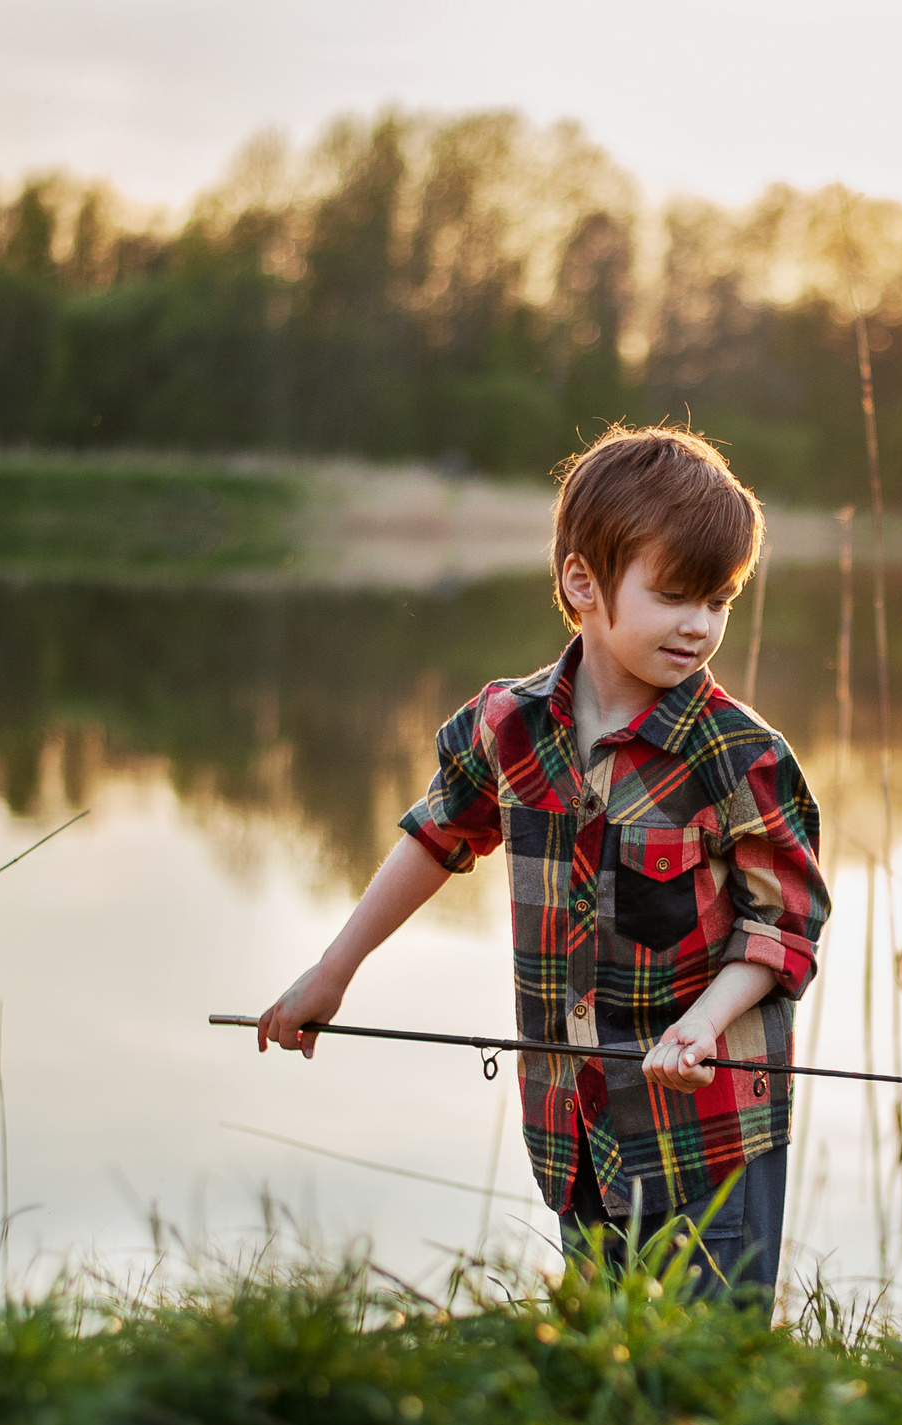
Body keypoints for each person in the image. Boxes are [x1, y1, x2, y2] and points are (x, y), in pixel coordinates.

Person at [254, 425, 829, 1312]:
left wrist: (706, 1026)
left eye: (717, 601)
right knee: (603, 1354)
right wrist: (334, 972)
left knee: (715, 1364)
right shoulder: (509, 728)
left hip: (710, 1134)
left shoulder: (738, 755)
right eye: (674, 595)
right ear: (581, 583)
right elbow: (435, 837)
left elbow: (782, 924)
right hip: (574, 1130)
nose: (699, 626)